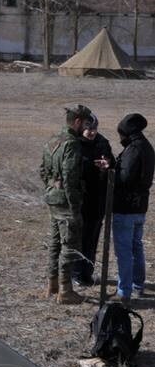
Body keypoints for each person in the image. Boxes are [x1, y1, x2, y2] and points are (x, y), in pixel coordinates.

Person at [40, 105, 95, 304]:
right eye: (86, 123)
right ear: (78, 122)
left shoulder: (53, 139)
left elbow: (43, 170)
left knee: (54, 244)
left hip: (53, 199)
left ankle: (52, 285)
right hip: (66, 202)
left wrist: (52, 187)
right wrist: (74, 207)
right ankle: (65, 291)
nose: (87, 127)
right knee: (68, 245)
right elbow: (71, 177)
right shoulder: (72, 143)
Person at [112, 113, 155, 306]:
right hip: (140, 206)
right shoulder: (147, 147)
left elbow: (124, 179)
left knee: (124, 251)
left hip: (126, 206)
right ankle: (138, 285)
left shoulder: (133, 150)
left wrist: (109, 171)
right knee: (136, 246)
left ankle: (124, 291)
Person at [74, 116, 114, 287]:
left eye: (94, 128)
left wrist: (108, 165)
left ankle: (87, 274)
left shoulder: (102, 143)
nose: (91, 132)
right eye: (88, 128)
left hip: (97, 201)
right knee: (78, 239)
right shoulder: (74, 144)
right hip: (80, 201)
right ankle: (75, 274)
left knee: (92, 239)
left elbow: (113, 164)